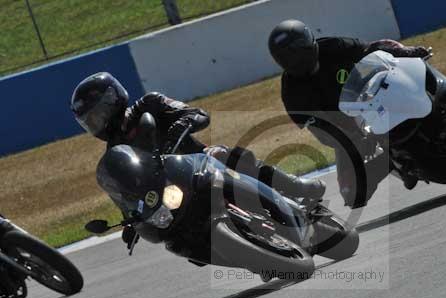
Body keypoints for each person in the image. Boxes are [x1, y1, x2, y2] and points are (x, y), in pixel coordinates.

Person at [71, 72, 325, 248]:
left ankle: (294, 186)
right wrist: (132, 220)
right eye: (90, 122)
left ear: (113, 100)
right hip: (172, 195)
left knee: (223, 153)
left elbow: (195, 114)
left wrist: (184, 122)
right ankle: (254, 250)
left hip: (200, 164)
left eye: (99, 114)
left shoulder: (150, 104)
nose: (98, 123)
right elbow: (127, 192)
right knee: (178, 236)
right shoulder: (116, 152)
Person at [268, 20, 446, 208]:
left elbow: (373, 49)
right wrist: (348, 140)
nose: (295, 59)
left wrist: (405, 51)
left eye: (297, 51)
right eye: (287, 57)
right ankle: (392, 162)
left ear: (309, 43)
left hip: (376, 92)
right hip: (351, 125)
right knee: (352, 195)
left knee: (413, 62)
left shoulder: (331, 46)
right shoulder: (292, 92)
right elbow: (318, 129)